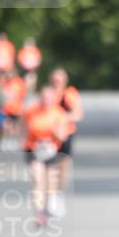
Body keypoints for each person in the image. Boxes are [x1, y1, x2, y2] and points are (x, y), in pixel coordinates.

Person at [22, 87, 70, 225]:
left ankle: (48, 208)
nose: (46, 101)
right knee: (38, 180)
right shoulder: (31, 111)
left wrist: (55, 133)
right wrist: (22, 139)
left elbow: (64, 135)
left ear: (53, 99)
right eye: (43, 98)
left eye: (49, 98)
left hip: (52, 151)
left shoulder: (58, 113)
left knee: (49, 182)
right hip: (33, 149)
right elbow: (22, 125)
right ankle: (39, 212)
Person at [49, 68, 83, 198]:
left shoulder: (69, 94)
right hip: (49, 135)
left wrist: (63, 118)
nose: (57, 82)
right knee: (50, 164)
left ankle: (59, 192)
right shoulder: (47, 94)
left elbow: (78, 114)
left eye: (60, 80)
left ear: (65, 81)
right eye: (55, 80)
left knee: (63, 164)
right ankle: (51, 193)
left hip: (66, 133)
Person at [2, 70, 27, 150]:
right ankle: (5, 140)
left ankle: (12, 141)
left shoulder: (19, 83)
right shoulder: (4, 82)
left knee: (15, 127)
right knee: (6, 126)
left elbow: (23, 96)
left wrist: (22, 107)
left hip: (16, 108)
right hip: (6, 108)